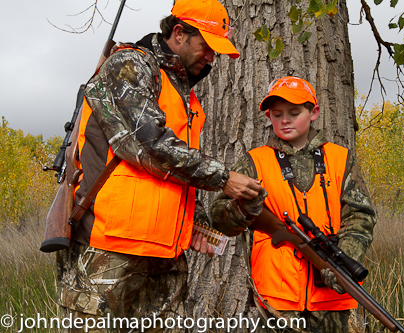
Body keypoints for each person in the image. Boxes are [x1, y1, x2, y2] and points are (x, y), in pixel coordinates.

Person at [56, 0, 262, 331]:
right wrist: (223, 178)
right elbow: (152, 146)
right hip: (106, 247)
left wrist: (189, 223)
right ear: (178, 33)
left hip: (164, 256)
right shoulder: (130, 66)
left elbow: (171, 175)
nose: (212, 57)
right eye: (207, 46)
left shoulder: (184, 94)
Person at [210, 76, 377, 333]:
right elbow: (219, 217)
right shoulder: (255, 161)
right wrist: (244, 210)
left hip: (332, 297)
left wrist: (344, 261)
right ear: (269, 115)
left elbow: (361, 217)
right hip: (277, 299)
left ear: (314, 113)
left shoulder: (340, 158)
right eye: (277, 114)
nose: (284, 120)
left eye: (294, 112)